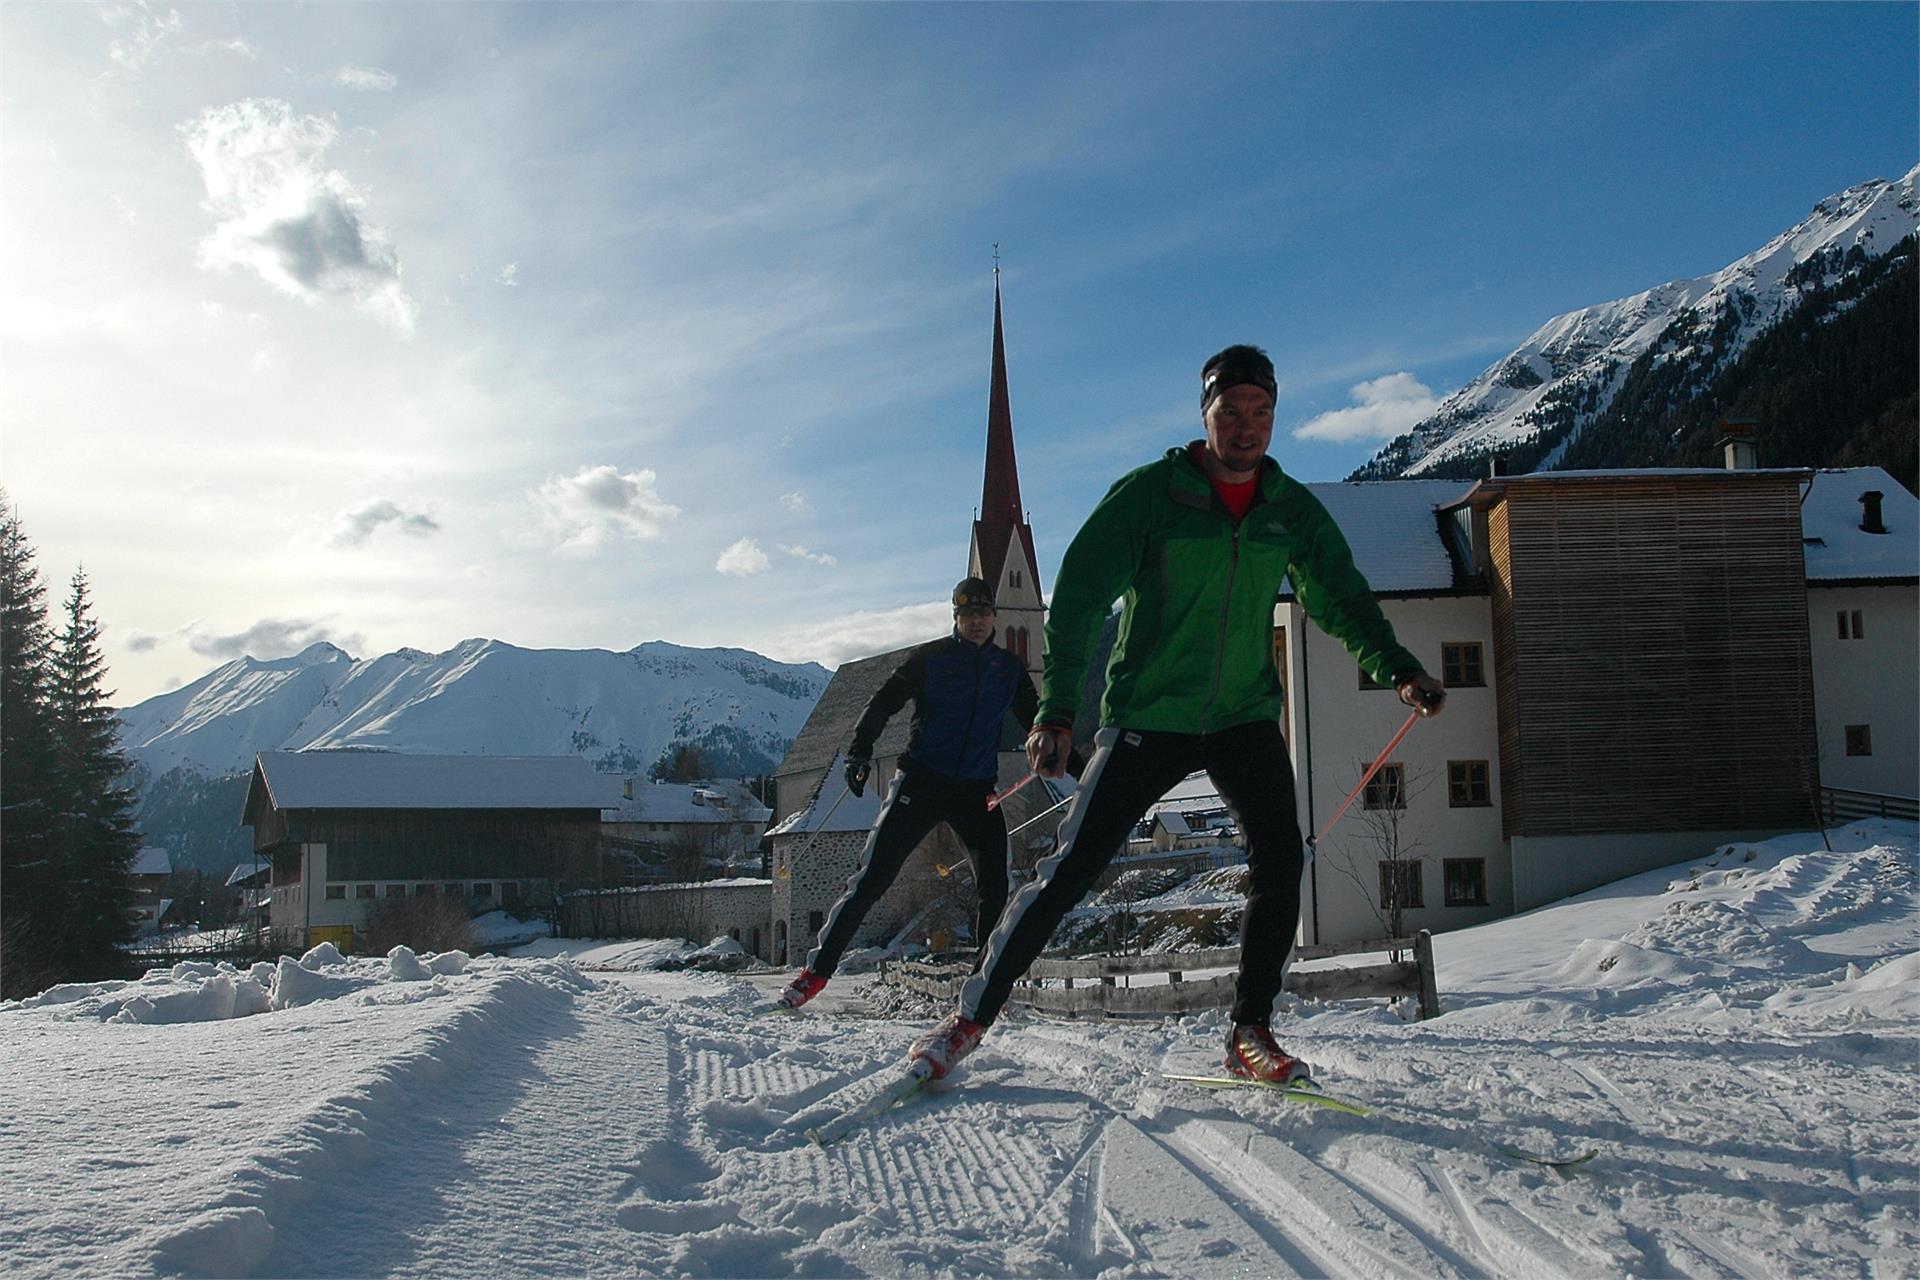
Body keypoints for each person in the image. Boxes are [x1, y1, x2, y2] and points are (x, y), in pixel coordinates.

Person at [906, 344, 1446, 1081]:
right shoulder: (1152, 495)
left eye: (1261, 412)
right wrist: (1057, 709)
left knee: (1281, 860)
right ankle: (967, 1021)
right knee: (1071, 870)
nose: (1247, 427)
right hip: (1148, 716)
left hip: (1242, 716)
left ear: (1274, 417)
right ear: (1207, 417)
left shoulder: (1288, 510)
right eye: (1232, 412)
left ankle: (1250, 1031)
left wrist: (1399, 669)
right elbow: (1083, 594)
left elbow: (1341, 598)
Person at [776, 577, 1040, 1009]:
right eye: (967, 615)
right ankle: (815, 973)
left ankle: (984, 984)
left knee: (996, 883)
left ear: (994, 616)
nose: (976, 622)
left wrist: (1065, 756)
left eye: (983, 614)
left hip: (975, 790)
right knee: (873, 879)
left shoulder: (1007, 668)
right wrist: (860, 752)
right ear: (956, 618)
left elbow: (1037, 720)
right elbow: (883, 701)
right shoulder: (933, 658)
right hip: (921, 781)